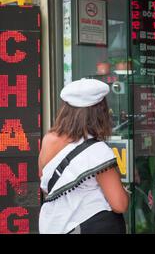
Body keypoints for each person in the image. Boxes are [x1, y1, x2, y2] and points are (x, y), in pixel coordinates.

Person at [39, 78, 129, 234]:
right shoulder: (98, 151)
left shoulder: (49, 139)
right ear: (100, 112)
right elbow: (119, 204)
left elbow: (46, 184)